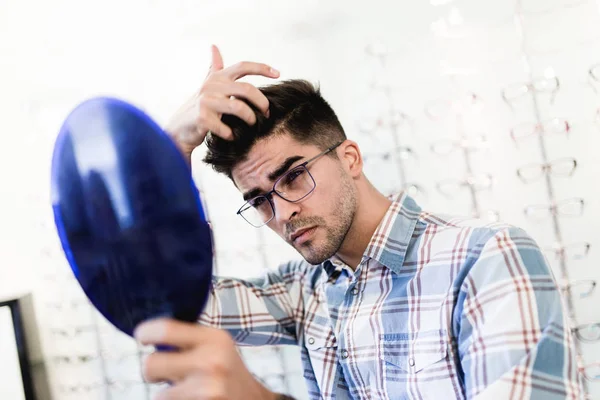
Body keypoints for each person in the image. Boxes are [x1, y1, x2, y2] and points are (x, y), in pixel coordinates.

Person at [133, 45, 586, 400]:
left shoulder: (486, 260)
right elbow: (160, 300)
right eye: (259, 201)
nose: (283, 212)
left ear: (349, 158)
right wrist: (171, 149)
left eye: (293, 177)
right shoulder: (303, 291)